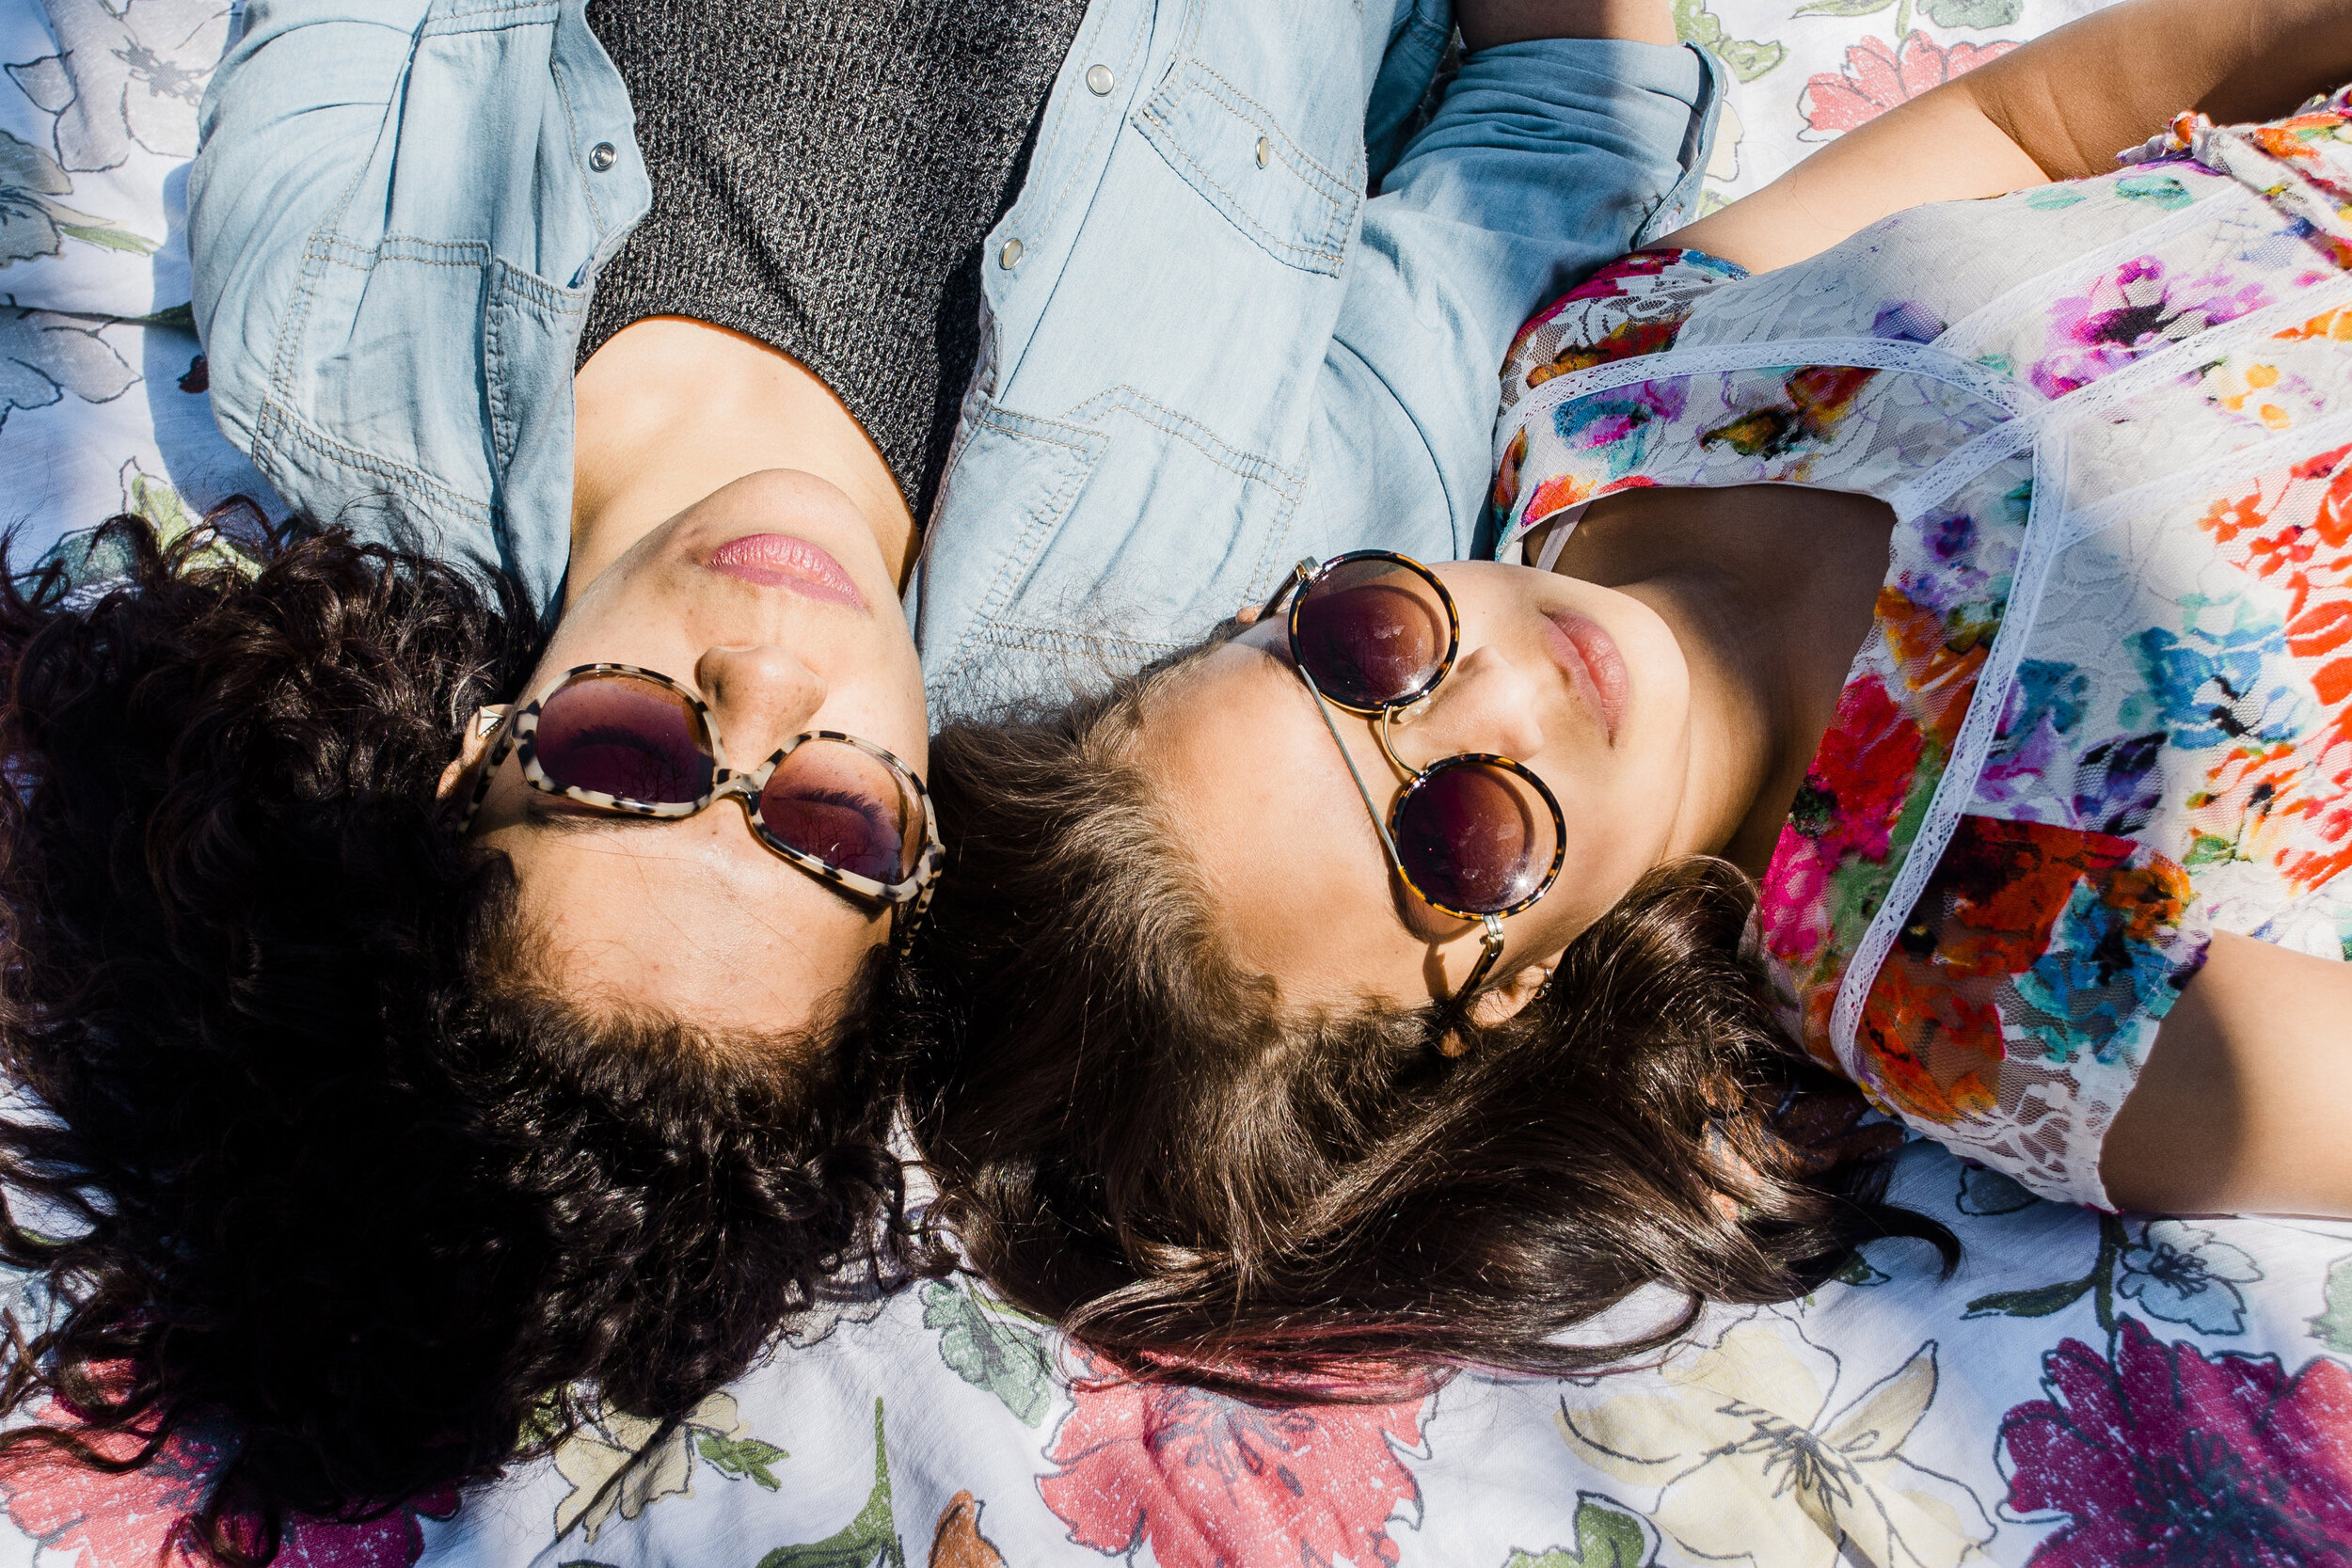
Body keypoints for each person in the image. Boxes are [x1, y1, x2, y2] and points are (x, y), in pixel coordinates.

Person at [0, 0, 1723, 1552]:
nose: (764, 678)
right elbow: (1569, 116)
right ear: (914, 883)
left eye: (632, 756)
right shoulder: (1242, 606)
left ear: (473, 767)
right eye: (828, 818)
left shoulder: (333, 316)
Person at [914, 0, 2352, 1389]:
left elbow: (2029, 121)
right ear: (1505, 996)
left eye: (1357, 650)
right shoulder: (1984, 991)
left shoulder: (1601, 384)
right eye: (1455, 830)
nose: (1484, 689)